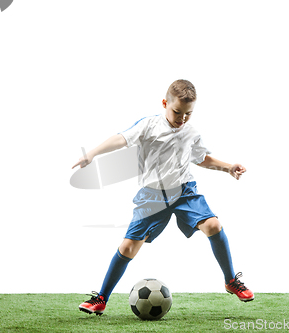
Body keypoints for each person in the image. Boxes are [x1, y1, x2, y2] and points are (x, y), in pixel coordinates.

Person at [72, 79, 254, 316]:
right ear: (165, 103)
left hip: (185, 191)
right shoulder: (149, 125)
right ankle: (101, 299)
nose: (182, 118)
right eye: (177, 112)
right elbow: (121, 138)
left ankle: (231, 280)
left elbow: (201, 159)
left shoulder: (191, 132)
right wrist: (93, 153)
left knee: (213, 224)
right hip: (152, 196)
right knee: (128, 248)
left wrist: (228, 167)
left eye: (188, 114)